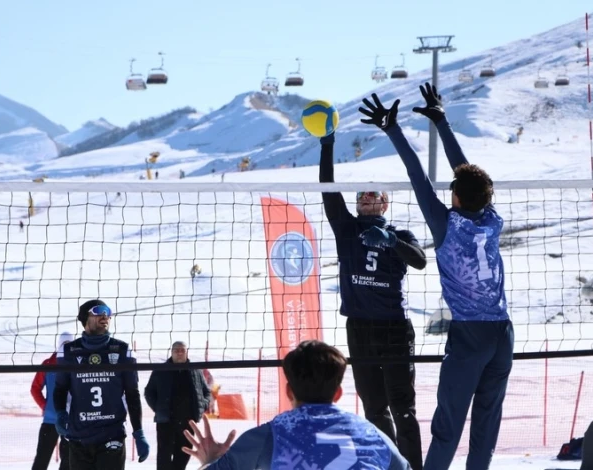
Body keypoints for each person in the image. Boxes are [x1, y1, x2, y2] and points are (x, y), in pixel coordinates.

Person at [358, 82, 514, 470]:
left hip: (471, 335)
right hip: (503, 333)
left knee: (448, 428)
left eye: (454, 190)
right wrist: (441, 123)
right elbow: (468, 176)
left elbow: (417, 175)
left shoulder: (447, 225)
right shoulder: (492, 220)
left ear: (457, 196)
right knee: (485, 431)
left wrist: (392, 129)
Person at [318, 131, 427, 469]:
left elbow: (419, 260)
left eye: (372, 195)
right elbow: (328, 190)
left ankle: (414, 466)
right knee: (373, 408)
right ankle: (390, 464)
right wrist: (327, 146)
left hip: (394, 328)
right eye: (361, 195)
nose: (365, 198)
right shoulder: (346, 229)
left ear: (384, 203)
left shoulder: (401, 235)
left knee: (402, 406)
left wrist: (390, 240)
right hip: (360, 328)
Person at [182, 340, 410, 470]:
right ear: (338, 393)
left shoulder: (268, 437)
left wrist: (212, 461)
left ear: (288, 391)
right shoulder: (373, 436)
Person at [53, 299, 150, 469]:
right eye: (98, 310)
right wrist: (60, 413)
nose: (105, 315)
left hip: (112, 436)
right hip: (79, 436)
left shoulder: (122, 350)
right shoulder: (69, 352)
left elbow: (132, 394)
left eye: (108, 311)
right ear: (85, 318)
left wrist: (138, 432)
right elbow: (60, 388)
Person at [144, 341, 211, 470]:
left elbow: (206, 392)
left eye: (182, 350)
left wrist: (202, 406)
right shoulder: (161, 370)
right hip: (166, 422)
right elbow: (149, 392)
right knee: (164, 458)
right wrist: (158, 409)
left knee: (183, 456)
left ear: (186, 352)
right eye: (176, 350)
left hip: (188, 422)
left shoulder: (195, 370)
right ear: (171, 352)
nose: (179, 353)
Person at [30, 331, 73, 470]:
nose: (66, 346)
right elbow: (35, 388)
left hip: (71, 421)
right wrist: (45, 405)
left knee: (68, 460)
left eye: (68, 343)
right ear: (59, 344)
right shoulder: (48, 364)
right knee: (42, 458)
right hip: (51, 420)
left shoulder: (77, 364)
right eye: (64, 343)